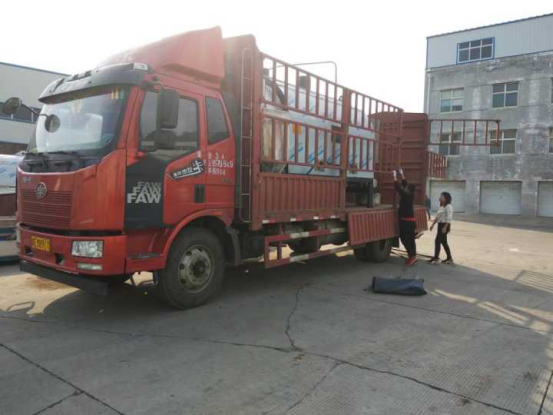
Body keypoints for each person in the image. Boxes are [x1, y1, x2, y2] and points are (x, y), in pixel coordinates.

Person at [393, 168, 417, 266]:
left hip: (406, 223)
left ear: (408, 189)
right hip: (410, 222)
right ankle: (413, 256)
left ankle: (412, 256)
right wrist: (401, 173)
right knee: (411, 240)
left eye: (406, 187)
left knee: (405, 239)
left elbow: (398, 187)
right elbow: (404, 184)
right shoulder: (410, 194)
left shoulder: (406, 195)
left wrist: (394, 176)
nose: (405, 187)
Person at [429, 192, 454, 264]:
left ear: (445, 198)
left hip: (444, 225)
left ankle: (436, 258)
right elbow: (437, 217)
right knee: (444, 242)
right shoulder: (441, 206)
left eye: (441, 196)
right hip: (440, 225)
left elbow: (449, 218)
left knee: (437, 241)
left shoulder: (448, 206)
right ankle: (449, 258)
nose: (439, 197)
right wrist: (432, 225)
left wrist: (445, 227)